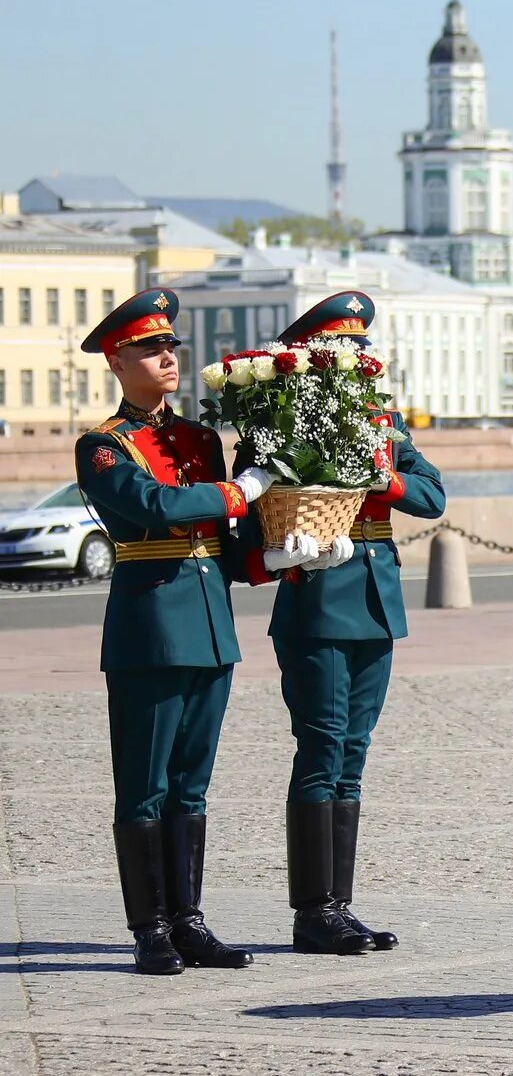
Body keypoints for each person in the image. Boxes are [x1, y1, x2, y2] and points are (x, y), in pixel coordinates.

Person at [74, 288, 319, 975]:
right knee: (144, 785)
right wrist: (239, 490)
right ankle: (148, 927)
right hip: (150, 626)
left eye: (171, 348)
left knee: (192, 786)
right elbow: (152, 506)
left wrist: (279, 558)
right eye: (151, 350)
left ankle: (189, 921)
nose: (167, 359)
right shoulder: (102, 445)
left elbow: (227, 544)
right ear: (118, 361)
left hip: (211, 627)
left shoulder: (199, 439)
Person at [252, 291, 446, 955]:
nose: (360, 358)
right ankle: (313, 913)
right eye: (346, 347)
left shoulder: (382, 422)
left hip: (374, 602)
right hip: (319, 602)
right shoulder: (283, 422)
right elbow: (255, 504)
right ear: (315, 355)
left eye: (363, 347)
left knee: (353, 758)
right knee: (322, 749)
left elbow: (430, 494)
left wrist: (382, 477)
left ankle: (340, 906)